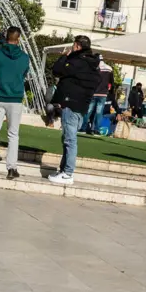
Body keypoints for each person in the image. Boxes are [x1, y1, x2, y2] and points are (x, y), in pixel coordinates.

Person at [47, 35, 101, 186]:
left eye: (73, 45)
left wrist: (64, 56)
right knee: (67, 138)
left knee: (69, 139)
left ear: (77, 46)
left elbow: (57, 70)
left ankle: (67, 173)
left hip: (71, 103)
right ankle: (64, 169)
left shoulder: (77, 61)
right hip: (81, 104)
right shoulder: (93, 63)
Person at [0, 26, 30, 181]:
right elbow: (23, 74)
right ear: (19, 39)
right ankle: (11, 168)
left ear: (5, 37)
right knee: (13, 134)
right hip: (15, 99)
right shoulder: (24, 57)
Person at [85, 61, 113, 134]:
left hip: (94, 92)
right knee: (99, 112)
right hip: (103, 94)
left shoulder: (94, 67)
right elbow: (111, 81)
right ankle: (97, 130)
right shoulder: (109, 69)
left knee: (88, 111)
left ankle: (82, 128)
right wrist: (108, 88)